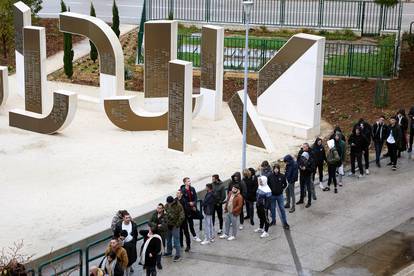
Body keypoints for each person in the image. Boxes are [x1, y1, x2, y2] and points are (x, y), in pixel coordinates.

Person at [267, 164, 290, 229]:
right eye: (275, 168)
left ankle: (285, 222)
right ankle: (273, 221)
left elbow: (285, 184)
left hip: (280, 195)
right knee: (272, 209)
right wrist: (270, 191)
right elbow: (268, 185)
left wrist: (281, 189)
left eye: (277, 168)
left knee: (282, 209)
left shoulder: (282, 176)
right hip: (272, 196)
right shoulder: (270, 176)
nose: (276, 170)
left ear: (279, 169)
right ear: (273, 169)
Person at [180, 177, 202, 242]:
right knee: (184, 226)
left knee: (191, 224)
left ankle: (195, 236)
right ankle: (184, 240)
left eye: (189, 181)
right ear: (185, 183)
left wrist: (194, 204)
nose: (189, 182)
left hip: (192, 209)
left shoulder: (192, 189)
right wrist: (189, 204)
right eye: (188, 181)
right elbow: (182, 201)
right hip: (185, 210)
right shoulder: (182, 190)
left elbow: (195, 197)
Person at [164, 195, 185, 262]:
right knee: (168, 240)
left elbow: (182, 216)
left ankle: (178, 255)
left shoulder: (178, 206)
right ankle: (169, 252)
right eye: (167, 203)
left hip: (175, 226)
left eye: (169, 203)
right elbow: (165, 214)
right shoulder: (166, 205)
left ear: (172, 201)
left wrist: (177, 225)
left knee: (176, 240)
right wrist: (166, 222)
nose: (168, 204)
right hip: (168, 225)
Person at [149, 203, 167, 270]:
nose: (158, 209)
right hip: (153, 235)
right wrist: (157, 225)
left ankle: (158, 262)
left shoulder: (165, 216)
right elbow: (149, 222)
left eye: (160, 208)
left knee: (159, 250)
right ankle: (151, 262)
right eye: (157, 208)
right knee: (152, 248)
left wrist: (154, 226)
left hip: (161, 235)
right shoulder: (154, 214)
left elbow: (164, 227)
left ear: (162, 209)